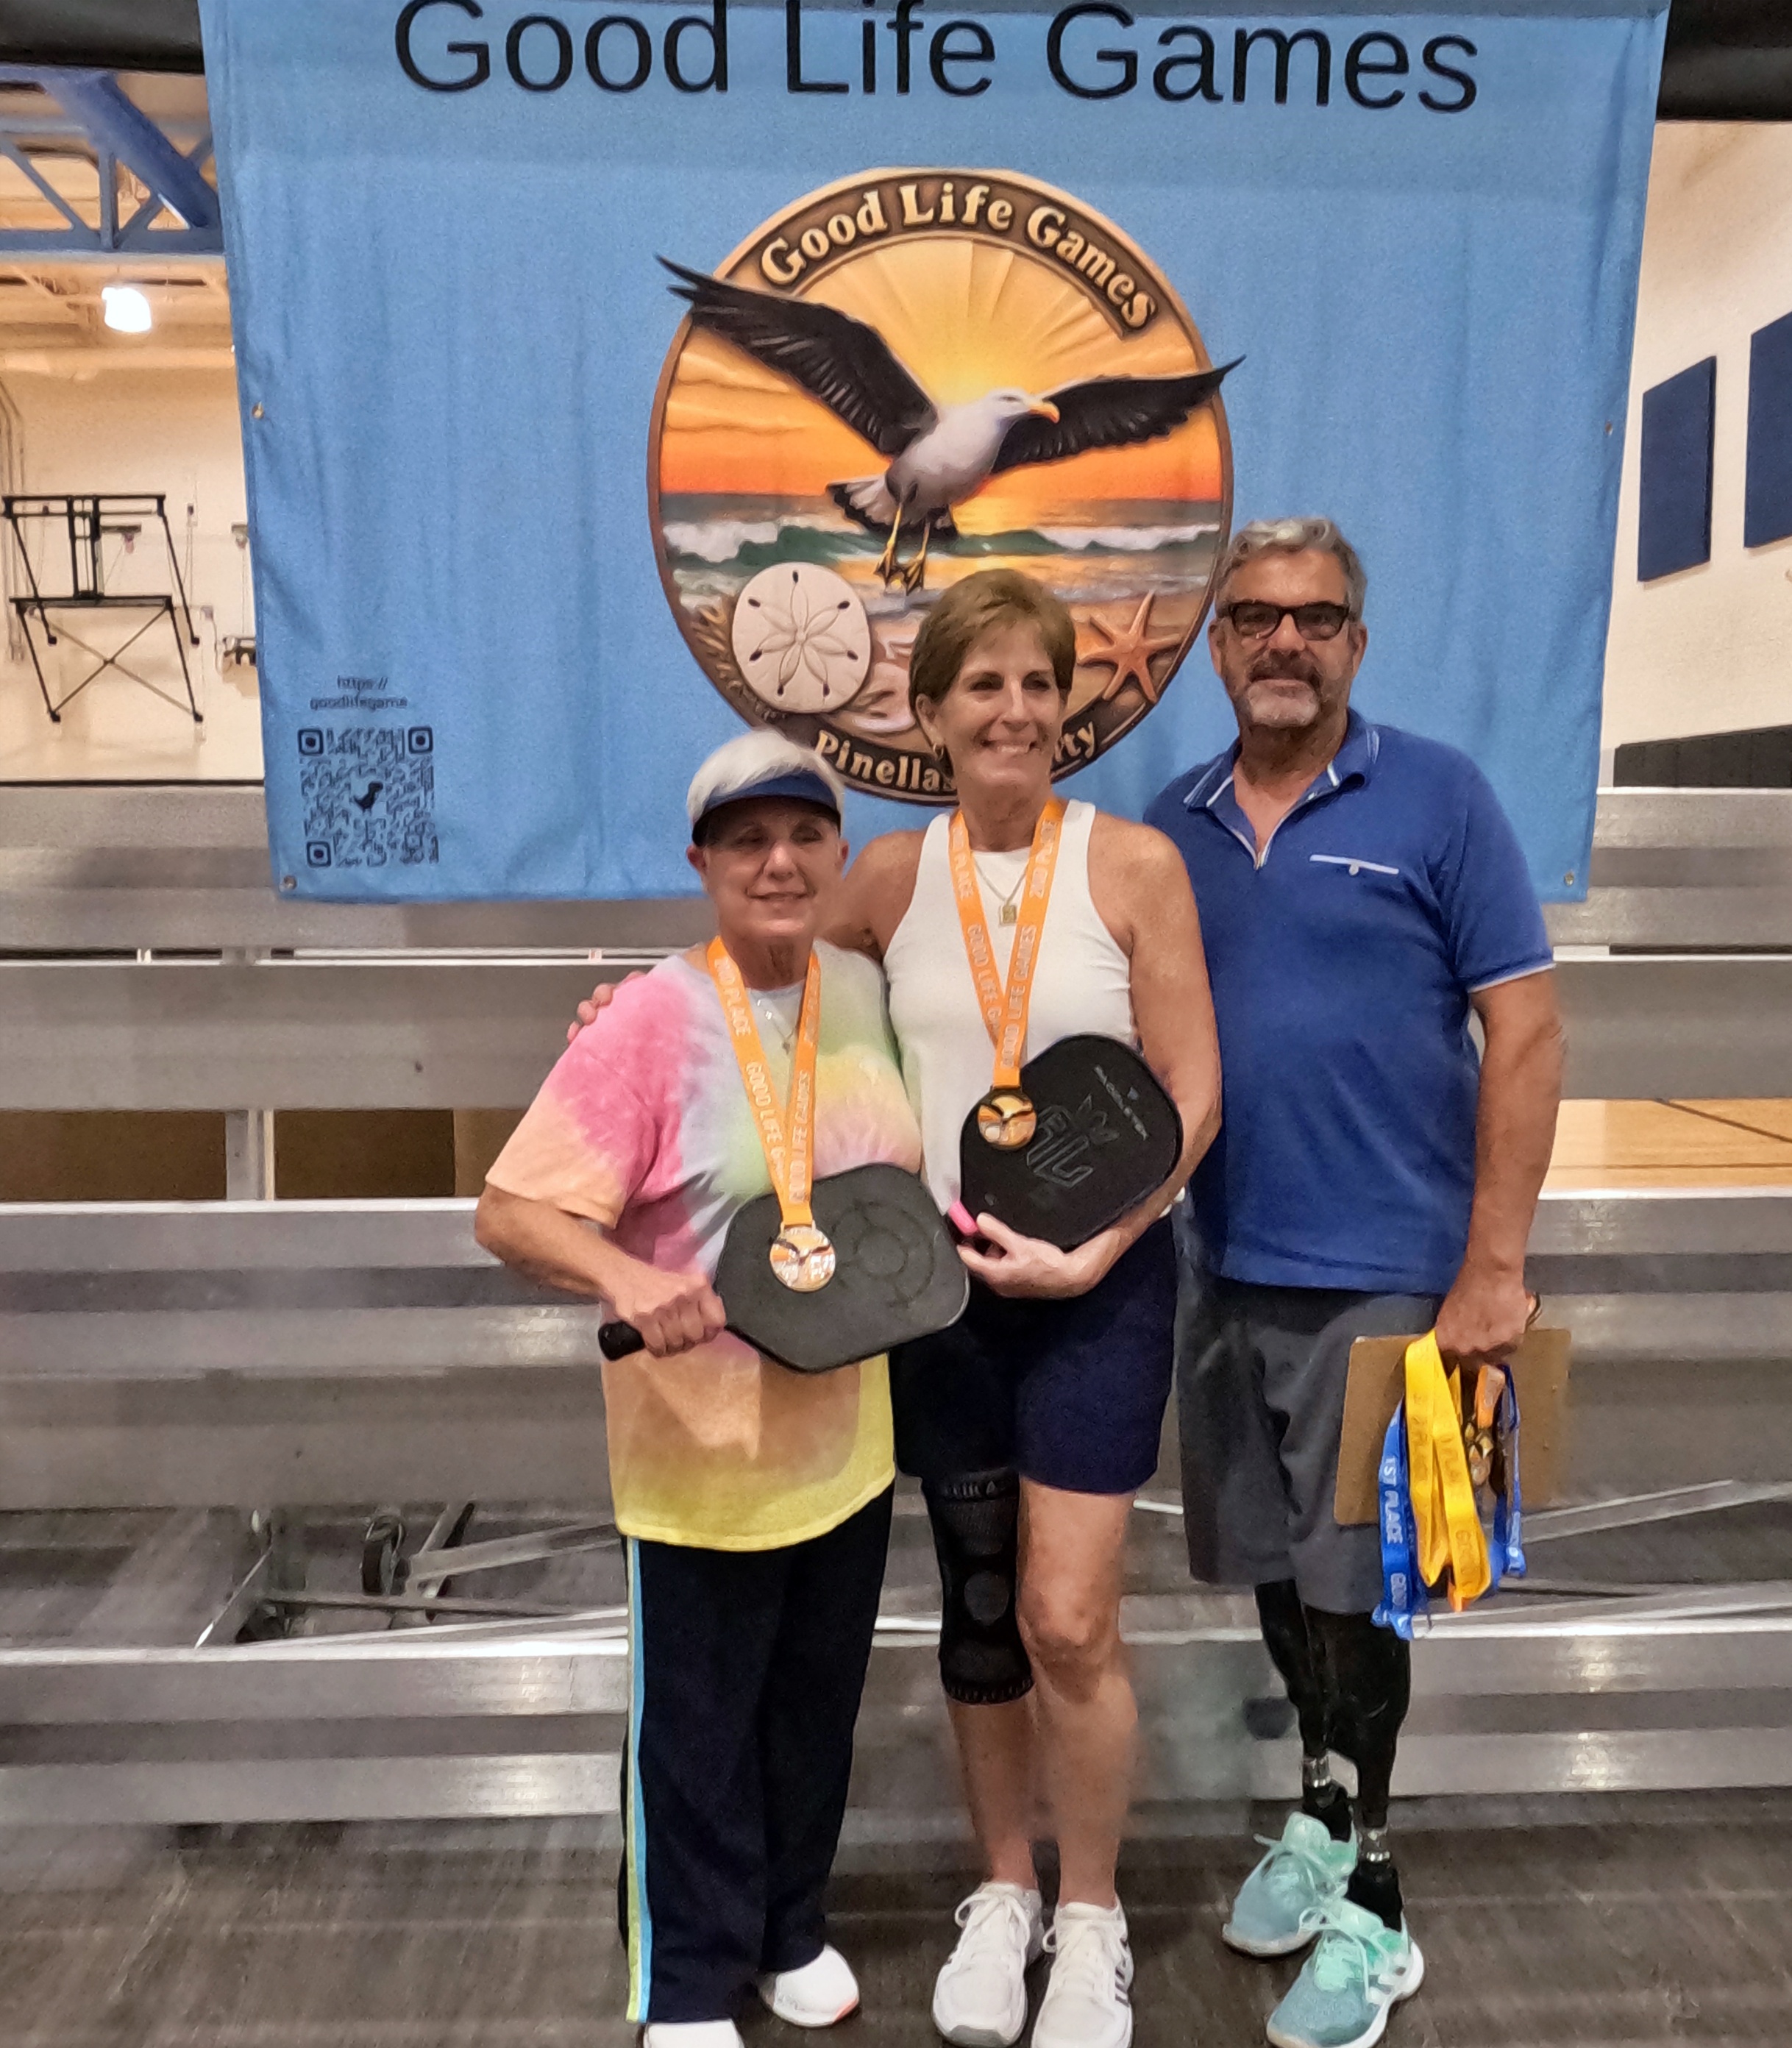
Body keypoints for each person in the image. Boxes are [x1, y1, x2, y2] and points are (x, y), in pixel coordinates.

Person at [575, 569, 1223, 2048]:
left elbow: (1195, 1095)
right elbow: (770, 1003)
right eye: (983, 685)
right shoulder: (882, 879)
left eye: (1039, 683)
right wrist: (632, 1015)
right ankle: (1003, 1892)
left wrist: (1105, 1250)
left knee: (1069, 1617)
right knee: (984, 1610)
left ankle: (1094, 1916)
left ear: (1070, 707)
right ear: (929, 715)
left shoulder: (1134, 868)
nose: (1015, 711)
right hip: (935, 1301)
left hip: (1095, 1294)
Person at [1143, 518, 1564, 2048]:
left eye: (1316, 618)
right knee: (1279, 1572)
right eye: (1256, 617)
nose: (1285, 642)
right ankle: (1320, 1813)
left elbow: (1528, 1029)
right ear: (1217, 646)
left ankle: (1378, 1901)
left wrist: (1493, 1268)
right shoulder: (1171, 828)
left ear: (1357, 645)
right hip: (1221, 1269)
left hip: (1394, 1281)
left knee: (1369, 1587)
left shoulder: (1440, 797)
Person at [477, 732, 923, 2048]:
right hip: (698, 1461)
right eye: (746, 840)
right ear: (702, 863)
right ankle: (683, 1978)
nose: (779, 861)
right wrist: (625, 1276)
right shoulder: (650, 1022)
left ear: (838, 853)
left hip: (847, 1447)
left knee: (812, 1715)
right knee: (697, 1731)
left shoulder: (867, 992)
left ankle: (788, 1929)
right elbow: (510, 1211)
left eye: (803, 835)